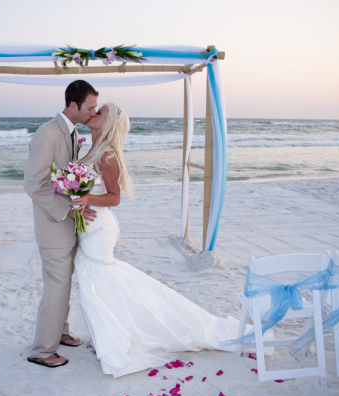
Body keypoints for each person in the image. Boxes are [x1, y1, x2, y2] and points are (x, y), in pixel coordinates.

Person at [69, 102, 243, 377]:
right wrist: (77, 199)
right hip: (89, 224)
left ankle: (121, 337)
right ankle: (117, 333)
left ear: (109, 123)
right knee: (98, 278)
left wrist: (87, 199)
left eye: (99, 112)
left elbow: (114, 197)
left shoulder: (107, 156)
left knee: (96, 276)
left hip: (99, 228)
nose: (93, 113)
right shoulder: (89, 148)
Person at [23, 80, 99, 368]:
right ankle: (42, 351)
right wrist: (66, 210)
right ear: (73, 105)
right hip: (52, 225)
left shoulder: (73, 131)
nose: (92, 112)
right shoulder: (48, 133)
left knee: (64, 284)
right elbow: (33, 183)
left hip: (67, 224)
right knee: (57, 287)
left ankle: (61, 333)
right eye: (89, 107)